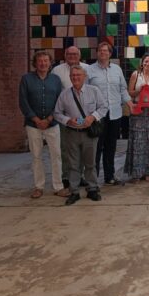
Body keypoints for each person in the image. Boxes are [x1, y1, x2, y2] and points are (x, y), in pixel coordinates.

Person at [54, 65, 107, 205]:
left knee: (90, 163)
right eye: (73, 75)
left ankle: (92, 189)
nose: (75, 77)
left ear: (84, 77)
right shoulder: (64, 94)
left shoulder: (94, 91)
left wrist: (92, 117)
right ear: (70, 77)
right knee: (73, 164)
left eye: (78, 75)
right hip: (72, 133)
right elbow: (57, 113)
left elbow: (104, 107)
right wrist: (67, 120)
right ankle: (74, 191)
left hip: (89, 134)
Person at [18, 51, 69, 199]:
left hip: (52, 123)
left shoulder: (55, 79)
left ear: (50, 63)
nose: (43, 63)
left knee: (56, 155)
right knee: (36, 156)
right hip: (33, 125)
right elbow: (23, 101)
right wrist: (36, 119)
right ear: (35, 63)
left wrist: (49, 118)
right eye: (40, 61)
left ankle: (58, 186)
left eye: (46, 61)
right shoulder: (26, 79)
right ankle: (38, 187)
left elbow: (60, 101)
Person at [87, 41, 135, 185]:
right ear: (97, 53)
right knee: (96, 147)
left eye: (105, 50)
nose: (103, 53)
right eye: (100, 50)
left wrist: (130, 104)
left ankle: (110, 176)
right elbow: (86, 92)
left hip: (115, 114)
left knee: (111, 146)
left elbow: (123, 90)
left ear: (110, 53)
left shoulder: (117, 69)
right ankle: (93, 179)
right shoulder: (89, 70)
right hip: (97, 116)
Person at [121, 54, 149, 182]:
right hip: (138, 111)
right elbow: (129, 92)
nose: (148, 64)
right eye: (146, 61)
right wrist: (139, 91)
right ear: (142, 62)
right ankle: (137, 172)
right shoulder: (136, 75)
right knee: (138, 141)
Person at [51, 45, 89, 188]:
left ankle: (80, 176)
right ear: (65, 56)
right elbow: (54, 92)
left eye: (75, 54)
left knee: (82, 147)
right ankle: (66, 176)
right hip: (65, 118)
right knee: (66, 148)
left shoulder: (87, 68)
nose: (72, 56)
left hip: (83, 115)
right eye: (69, 54)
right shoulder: (57, 70)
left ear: (80, 55)